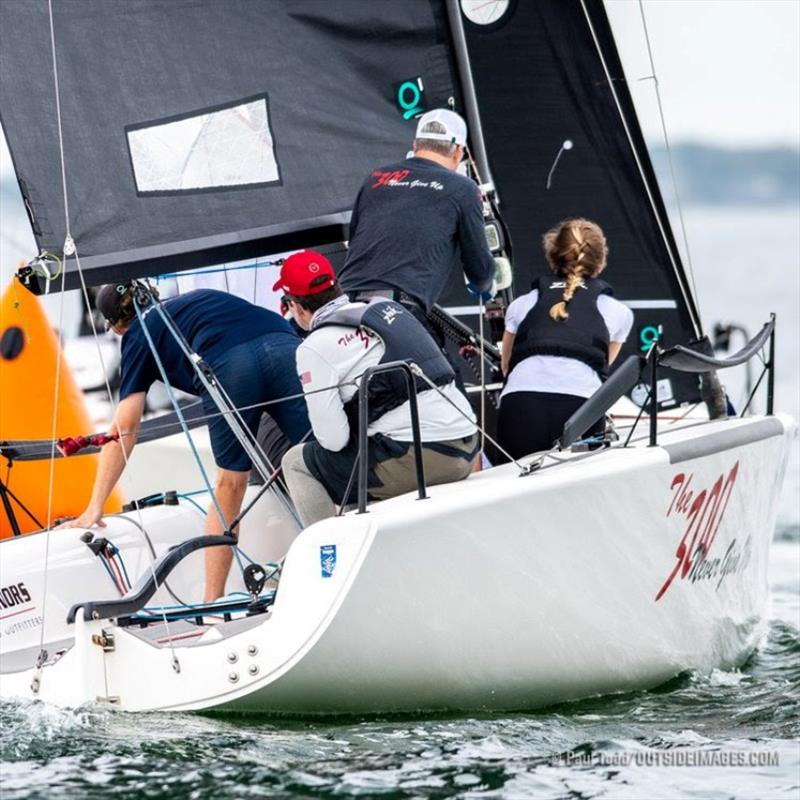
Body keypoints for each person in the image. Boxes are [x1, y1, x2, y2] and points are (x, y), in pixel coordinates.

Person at [61, 285, 310, 601]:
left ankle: (211, 602)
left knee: (231, 485)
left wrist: (95, 506)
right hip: (283, 342)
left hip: (234, 366)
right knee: (315, 456)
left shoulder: (138, 334)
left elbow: (124, 428)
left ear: (116, 326)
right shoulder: (198, 297)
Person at [275, 250, 480, 527]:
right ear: (336, 288)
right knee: (357, 457)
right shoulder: (388, 309)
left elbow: (333, 440)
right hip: (468, 445)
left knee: (297, 462)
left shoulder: (314, 347)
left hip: (426, 457)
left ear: (296, 306)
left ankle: (329, 556)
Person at [337, 108, 496, 327]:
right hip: (394, 310)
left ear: (415, 145)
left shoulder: (376, 178)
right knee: (437, 362)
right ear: (458, 151)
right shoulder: (463, 188)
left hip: (342, 302)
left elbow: (354, 240)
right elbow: (479, 269)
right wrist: (485, 287)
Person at [497, 219, 634, 459]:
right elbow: (603, 367)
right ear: (600, 261)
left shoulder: (521, 305)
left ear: (553, 254)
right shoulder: (619, 313)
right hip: (580, 409)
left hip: (521, 405)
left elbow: (506, 366)